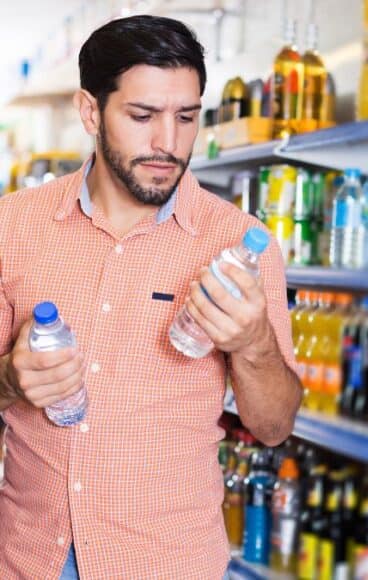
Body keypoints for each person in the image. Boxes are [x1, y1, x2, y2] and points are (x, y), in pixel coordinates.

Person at [0, 15, 302, 580]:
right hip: (26, 557)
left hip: (166, 562)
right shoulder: (12, 227)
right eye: (142, 117)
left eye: (186, 117)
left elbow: (273, 427)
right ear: (90, 111)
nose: (168, 142)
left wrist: (254, 341)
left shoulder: (239, 241)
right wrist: (12, 381)